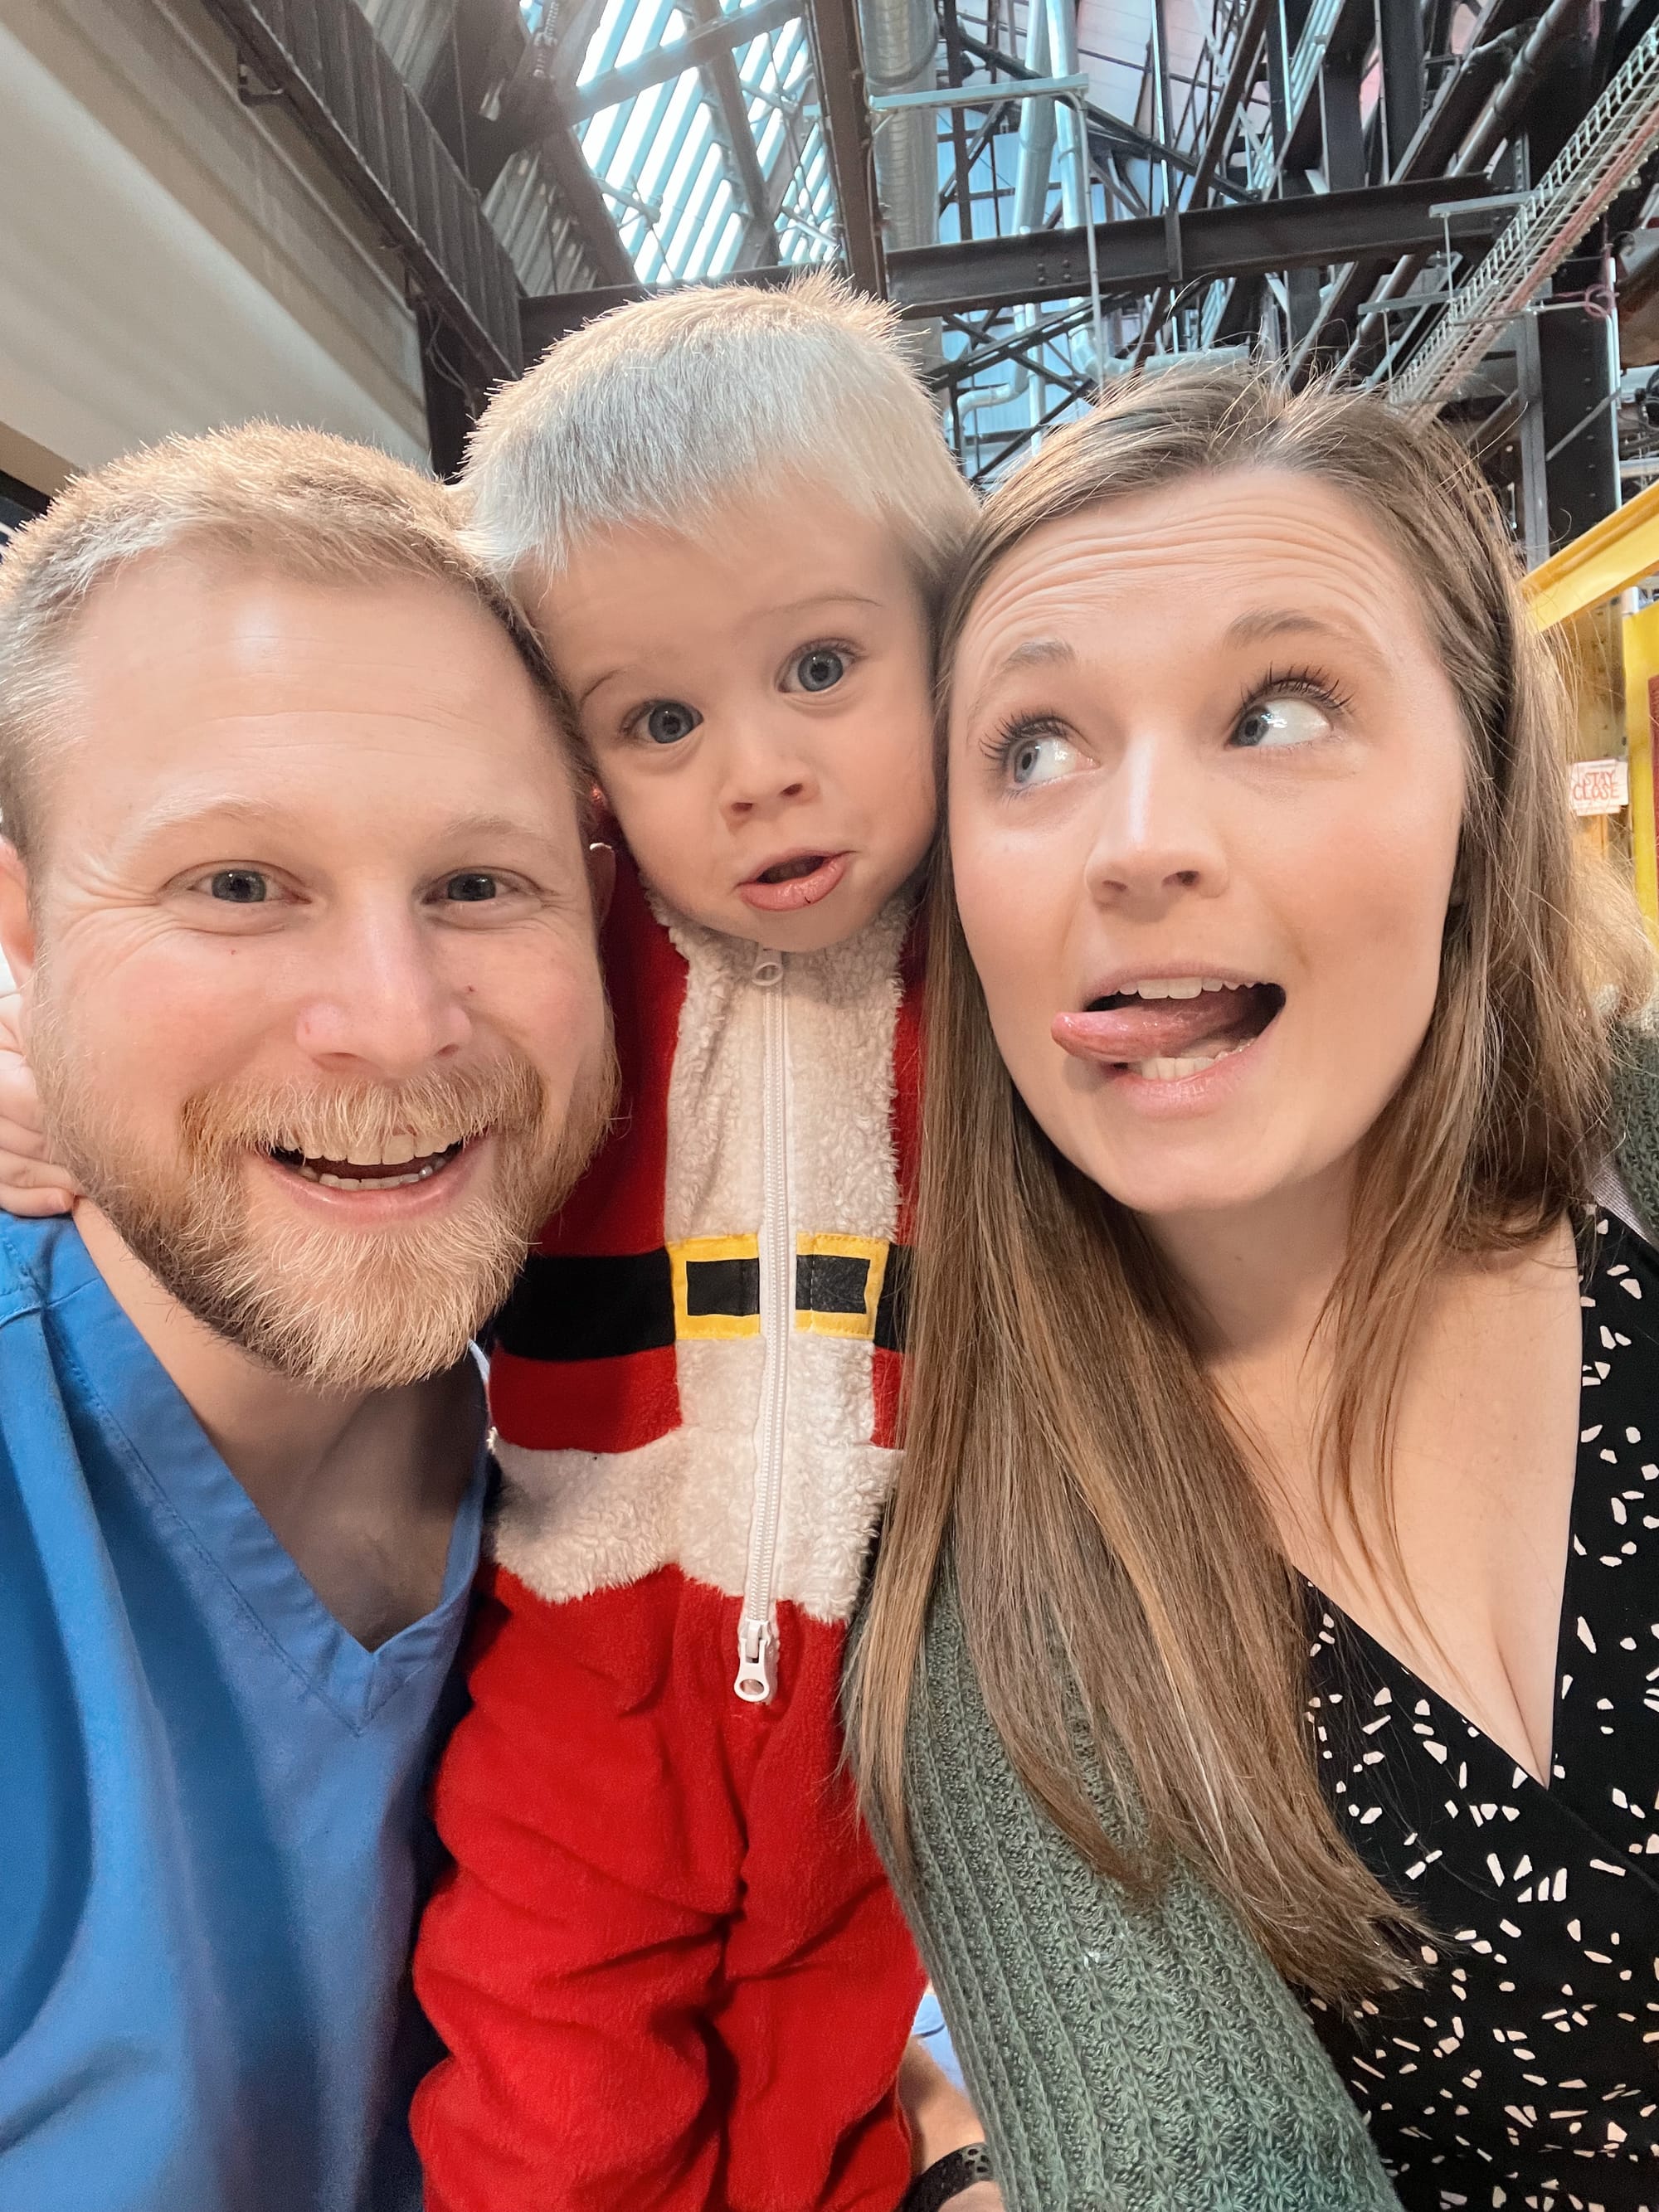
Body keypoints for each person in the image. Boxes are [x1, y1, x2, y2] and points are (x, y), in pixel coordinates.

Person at [849, 362, 1659, 2211]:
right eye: (1032, 748)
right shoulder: (996, 1600)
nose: (1140, 840)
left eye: (1278, 710)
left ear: (1481, 787)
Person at [410, 276, 1002, 2212]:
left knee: (842, 2058)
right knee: (540, 2066)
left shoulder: (1005, 966)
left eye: (819, 665)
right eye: (660, 717)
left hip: (909, 1671)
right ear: (579, 761)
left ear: (947, 633)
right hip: (591, 1644)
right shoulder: (556, 964)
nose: (754, 769)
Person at [0, 424, 614, 2212]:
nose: (396, 1020)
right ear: (21, 939)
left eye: (479, 884)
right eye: (237, 885)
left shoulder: (656, 1427)